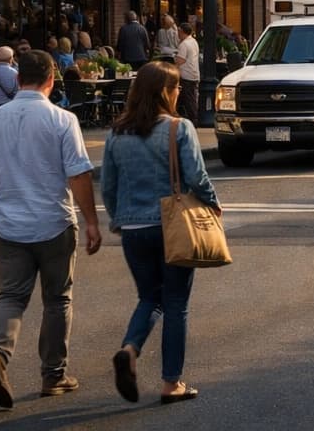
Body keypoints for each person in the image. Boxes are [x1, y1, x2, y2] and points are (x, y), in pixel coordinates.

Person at [0, 49, 102, 409]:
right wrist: (91, 220)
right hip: (54, 223)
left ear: (16, 78)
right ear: (52, 80)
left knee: (10, 296)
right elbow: (78, 174)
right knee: (58, 299)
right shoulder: (62, 120)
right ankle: (54, 375)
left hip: (9, 225)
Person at [101, 61, 220, 406]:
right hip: (171, 225)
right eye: (177, 87)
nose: (180, 91)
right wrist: (213, 203)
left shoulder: (116, 133)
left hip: (133, 228)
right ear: (165, 92)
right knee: (175, 302)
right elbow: (196, 177)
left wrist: (120, 218)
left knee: (149, 297)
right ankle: (172, 382)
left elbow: (108, 185)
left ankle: (130, 348)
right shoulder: (178, 129)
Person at [173, 22, 201, 123]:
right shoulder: (194, 41)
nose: (177, 34)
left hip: (186, 75)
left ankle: (194, 120)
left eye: (178, 32)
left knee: (189, 99)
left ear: (182, 31)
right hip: (194, 73)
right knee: (189, 97)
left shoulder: (184, 44)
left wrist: (174, 63)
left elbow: (180, 60)